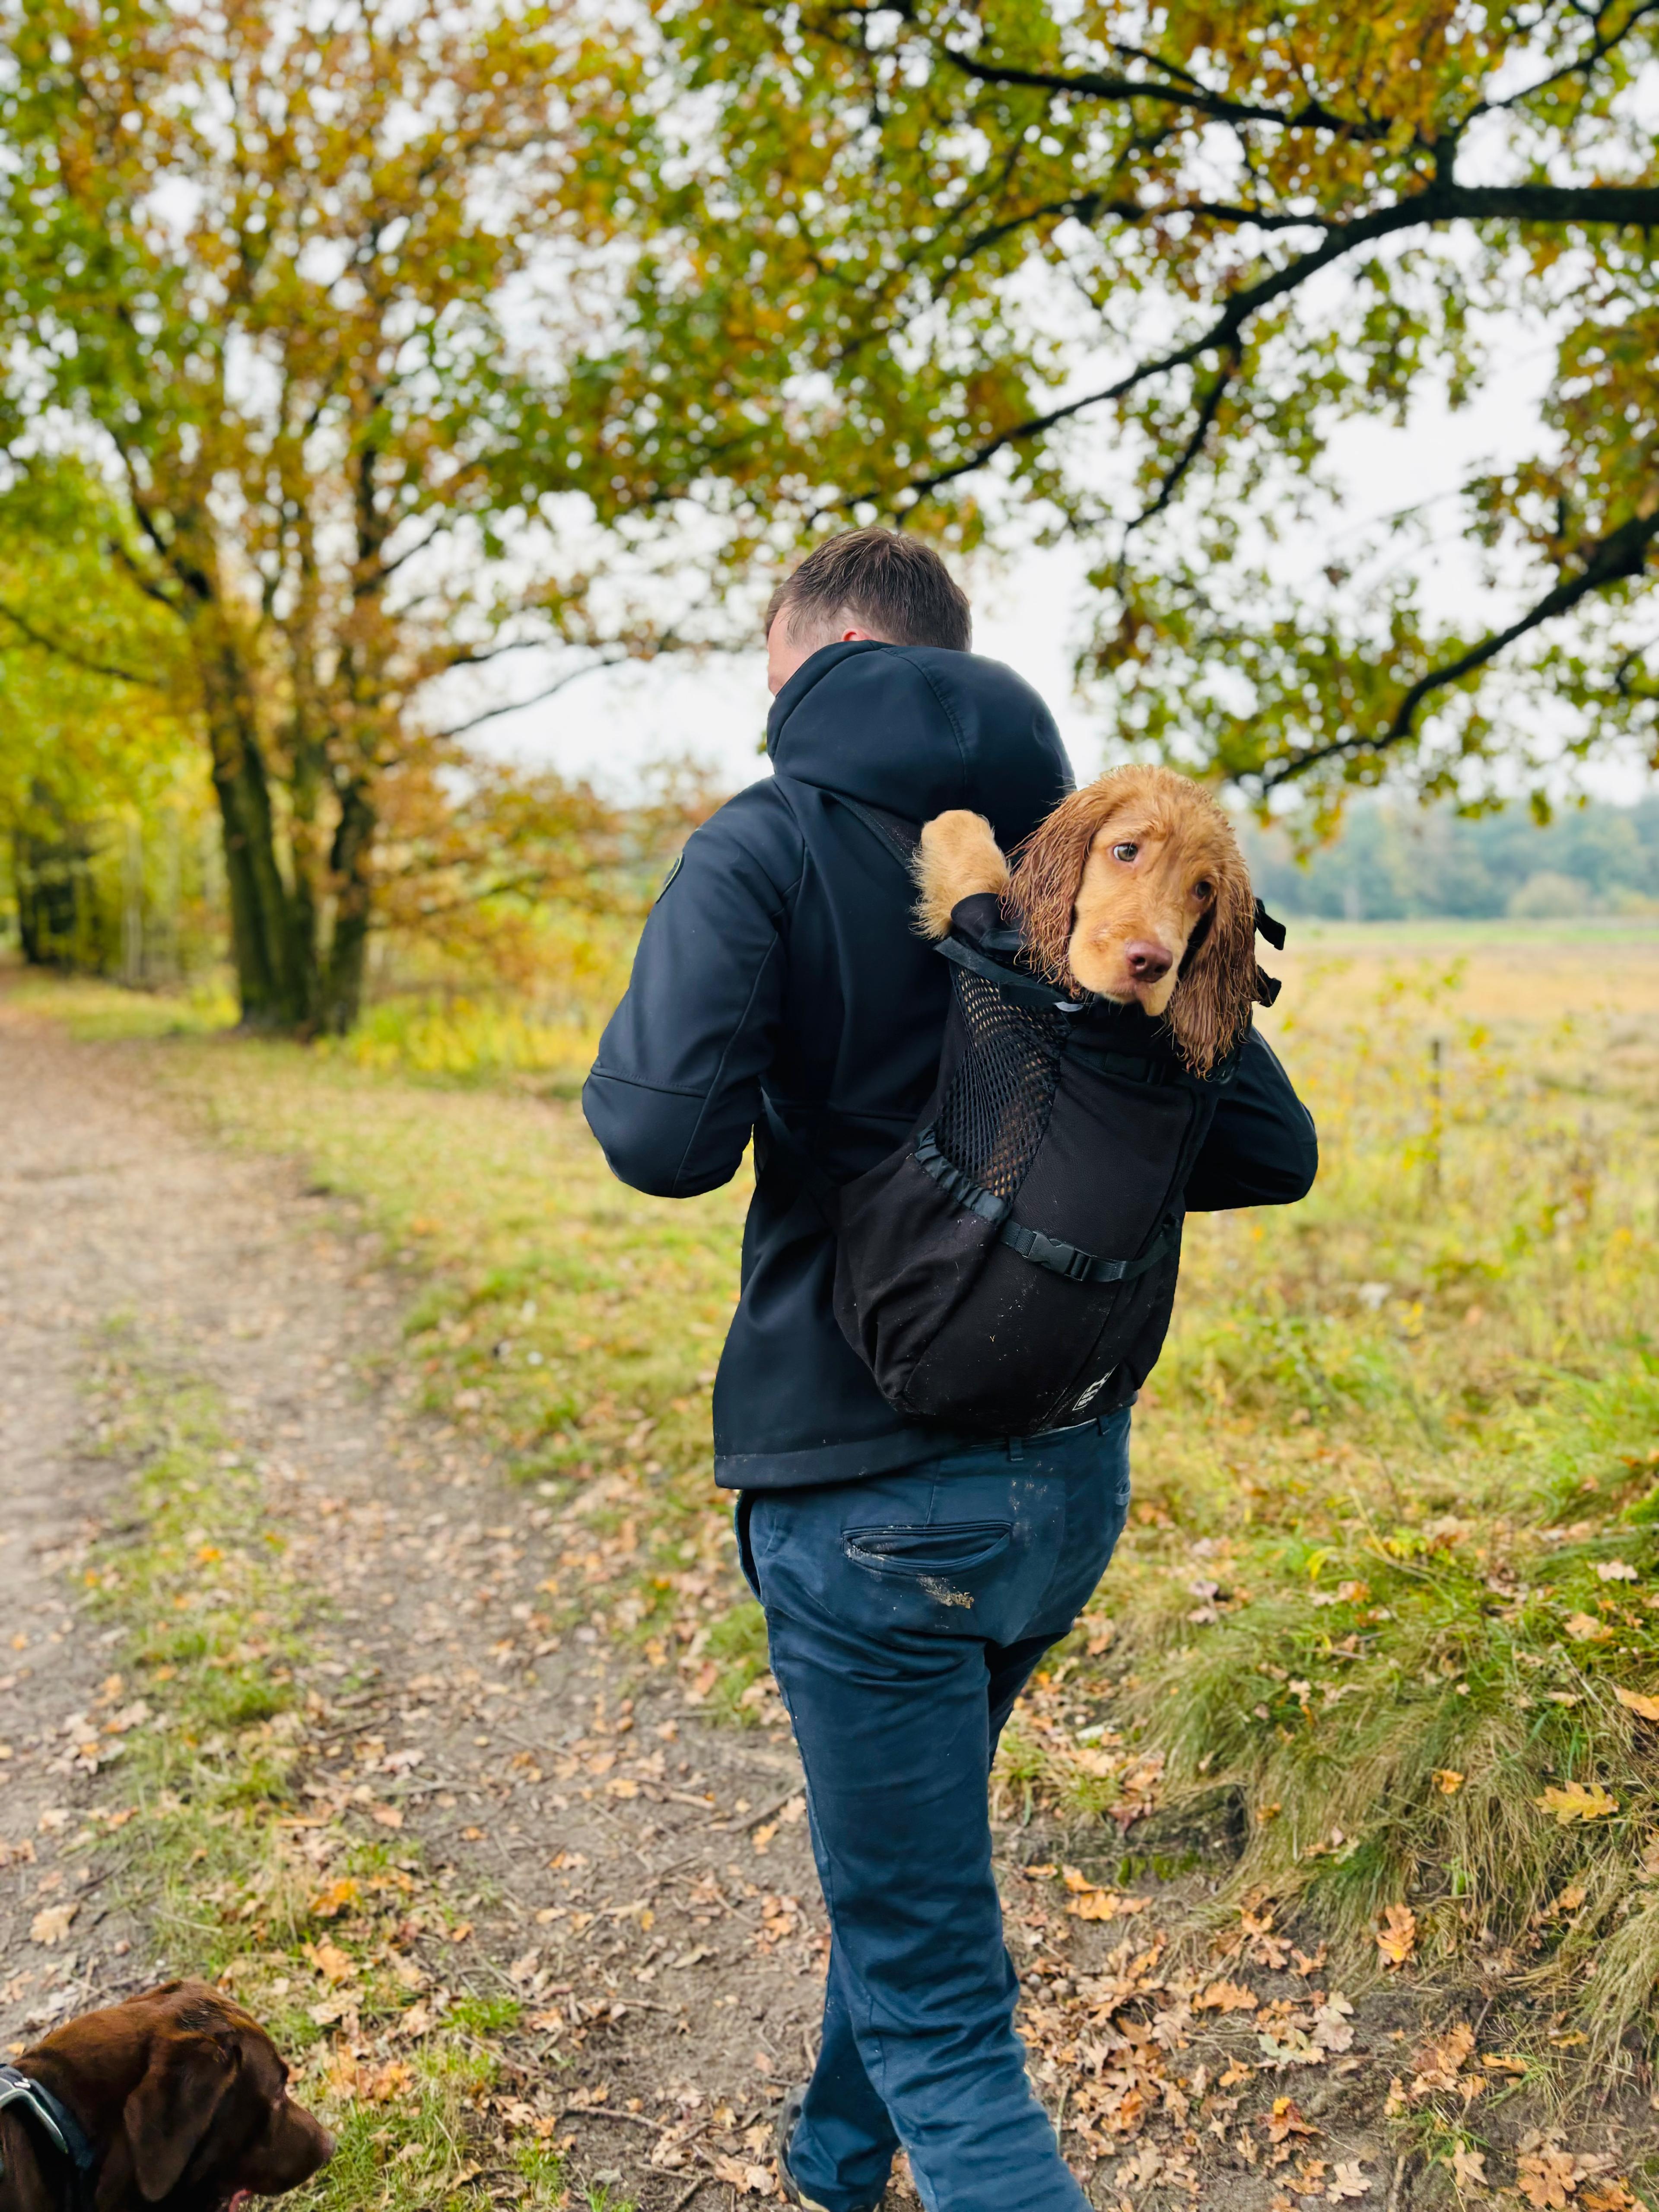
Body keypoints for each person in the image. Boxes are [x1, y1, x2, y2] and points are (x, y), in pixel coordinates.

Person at [583, 529, 1317, 2212]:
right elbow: (1269, 1145)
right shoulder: (1096, 870)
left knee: (939, 1997)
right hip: (1064, 1480)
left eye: (775, 671)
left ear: (818, 650)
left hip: (862, 1495)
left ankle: (896, 2147)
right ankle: (838, 2165)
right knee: (905, 1863)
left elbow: (659, 1139)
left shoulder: (770, 837)